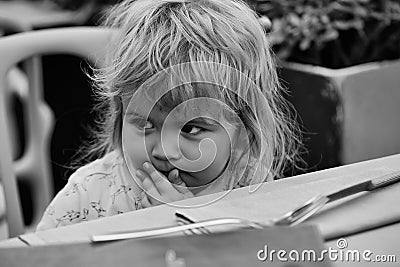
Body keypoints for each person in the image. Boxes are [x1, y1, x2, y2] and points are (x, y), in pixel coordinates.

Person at [36, 0, 302, 231]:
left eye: (191, 129)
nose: (163, 150)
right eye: (145, 124)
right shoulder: (88, 194)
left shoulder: (249, 184)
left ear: (243, 129)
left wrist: (191, 225)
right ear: (120, 115)